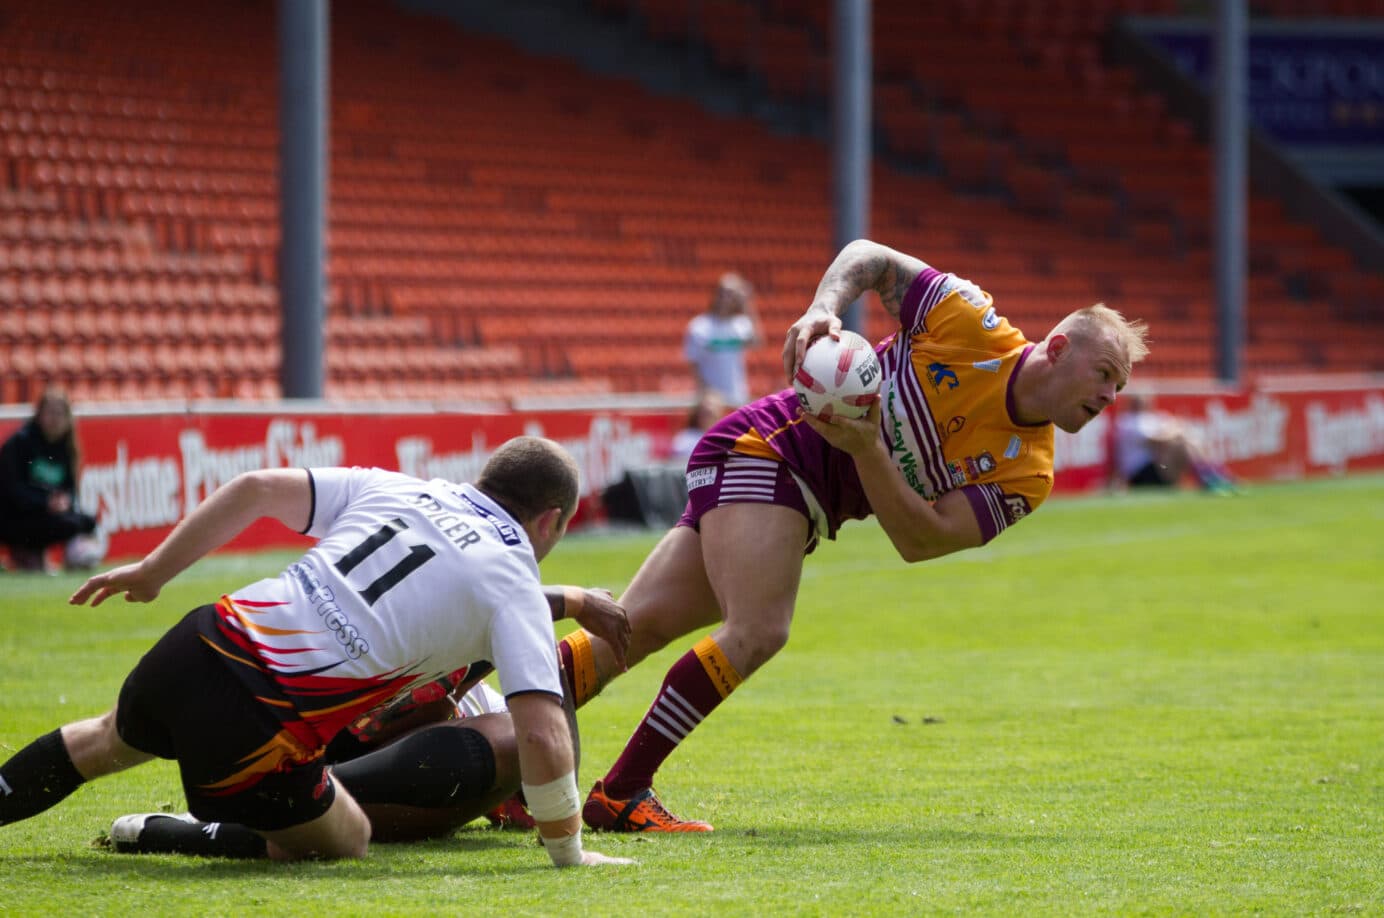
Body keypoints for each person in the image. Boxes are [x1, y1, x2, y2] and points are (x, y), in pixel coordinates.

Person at [553, 239, 1150, 832]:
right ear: (1059, 348)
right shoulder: (970, 320)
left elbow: (922, 540)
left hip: (801, 495)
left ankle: (497, 742)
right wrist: (824, 308)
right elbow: (871, 257)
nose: (1109, 396)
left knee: (630, 628)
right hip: (771, 449)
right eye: (1104, 375)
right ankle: (625, 790)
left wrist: (867, 449)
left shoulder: (1029, 473)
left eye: (1117, 388)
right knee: (760, 629)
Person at [0, 437, 633, 868]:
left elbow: (253, 488)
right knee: (349, 837)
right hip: (262, 724)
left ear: (486, 479)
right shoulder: (515, 582)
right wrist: (569, 852)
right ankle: (188, 835)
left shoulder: (399, 489)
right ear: (551, 522)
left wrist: (154, 571)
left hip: (203, 638)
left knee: (101, 740)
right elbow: (546, 739)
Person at [0, 387, 101, 572]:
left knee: (86, 520)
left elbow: (69, 491)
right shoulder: (20, 443)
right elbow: (11, 490)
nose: (55, 419)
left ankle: (75, 556)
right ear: (39, 415)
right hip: (15, 516)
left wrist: (64, 501)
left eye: (60, 414)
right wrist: (45, 501)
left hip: (48, 516)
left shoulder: (68, 449)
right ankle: (24, 554)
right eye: (50, 413)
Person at [1111, 393, 1237, 494]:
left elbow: (1177, 429)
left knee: (1189, 441)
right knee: (1182, 444)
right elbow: (1156, 440)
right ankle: (1210, 478)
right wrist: (1175, 432)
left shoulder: (1153, 417)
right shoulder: (1128, 422)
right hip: (1142, 472)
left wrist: (1175, 432)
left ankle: (1215, 476)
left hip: (1160, 467)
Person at [684, 272, 764, 406]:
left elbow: (757, 342)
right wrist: (705, 394)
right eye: (723, 292)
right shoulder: (699, 326)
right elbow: (694, 365)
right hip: (711, 402)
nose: (725, 298)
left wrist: (747, 305)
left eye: (731, 294)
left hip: (737, 397)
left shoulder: (740, 324)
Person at [668, 391, 731, 467]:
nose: (709, 411)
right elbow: (678, 463)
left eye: (711, 412)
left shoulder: (727, 437)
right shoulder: (685, 437)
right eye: (705, 412)